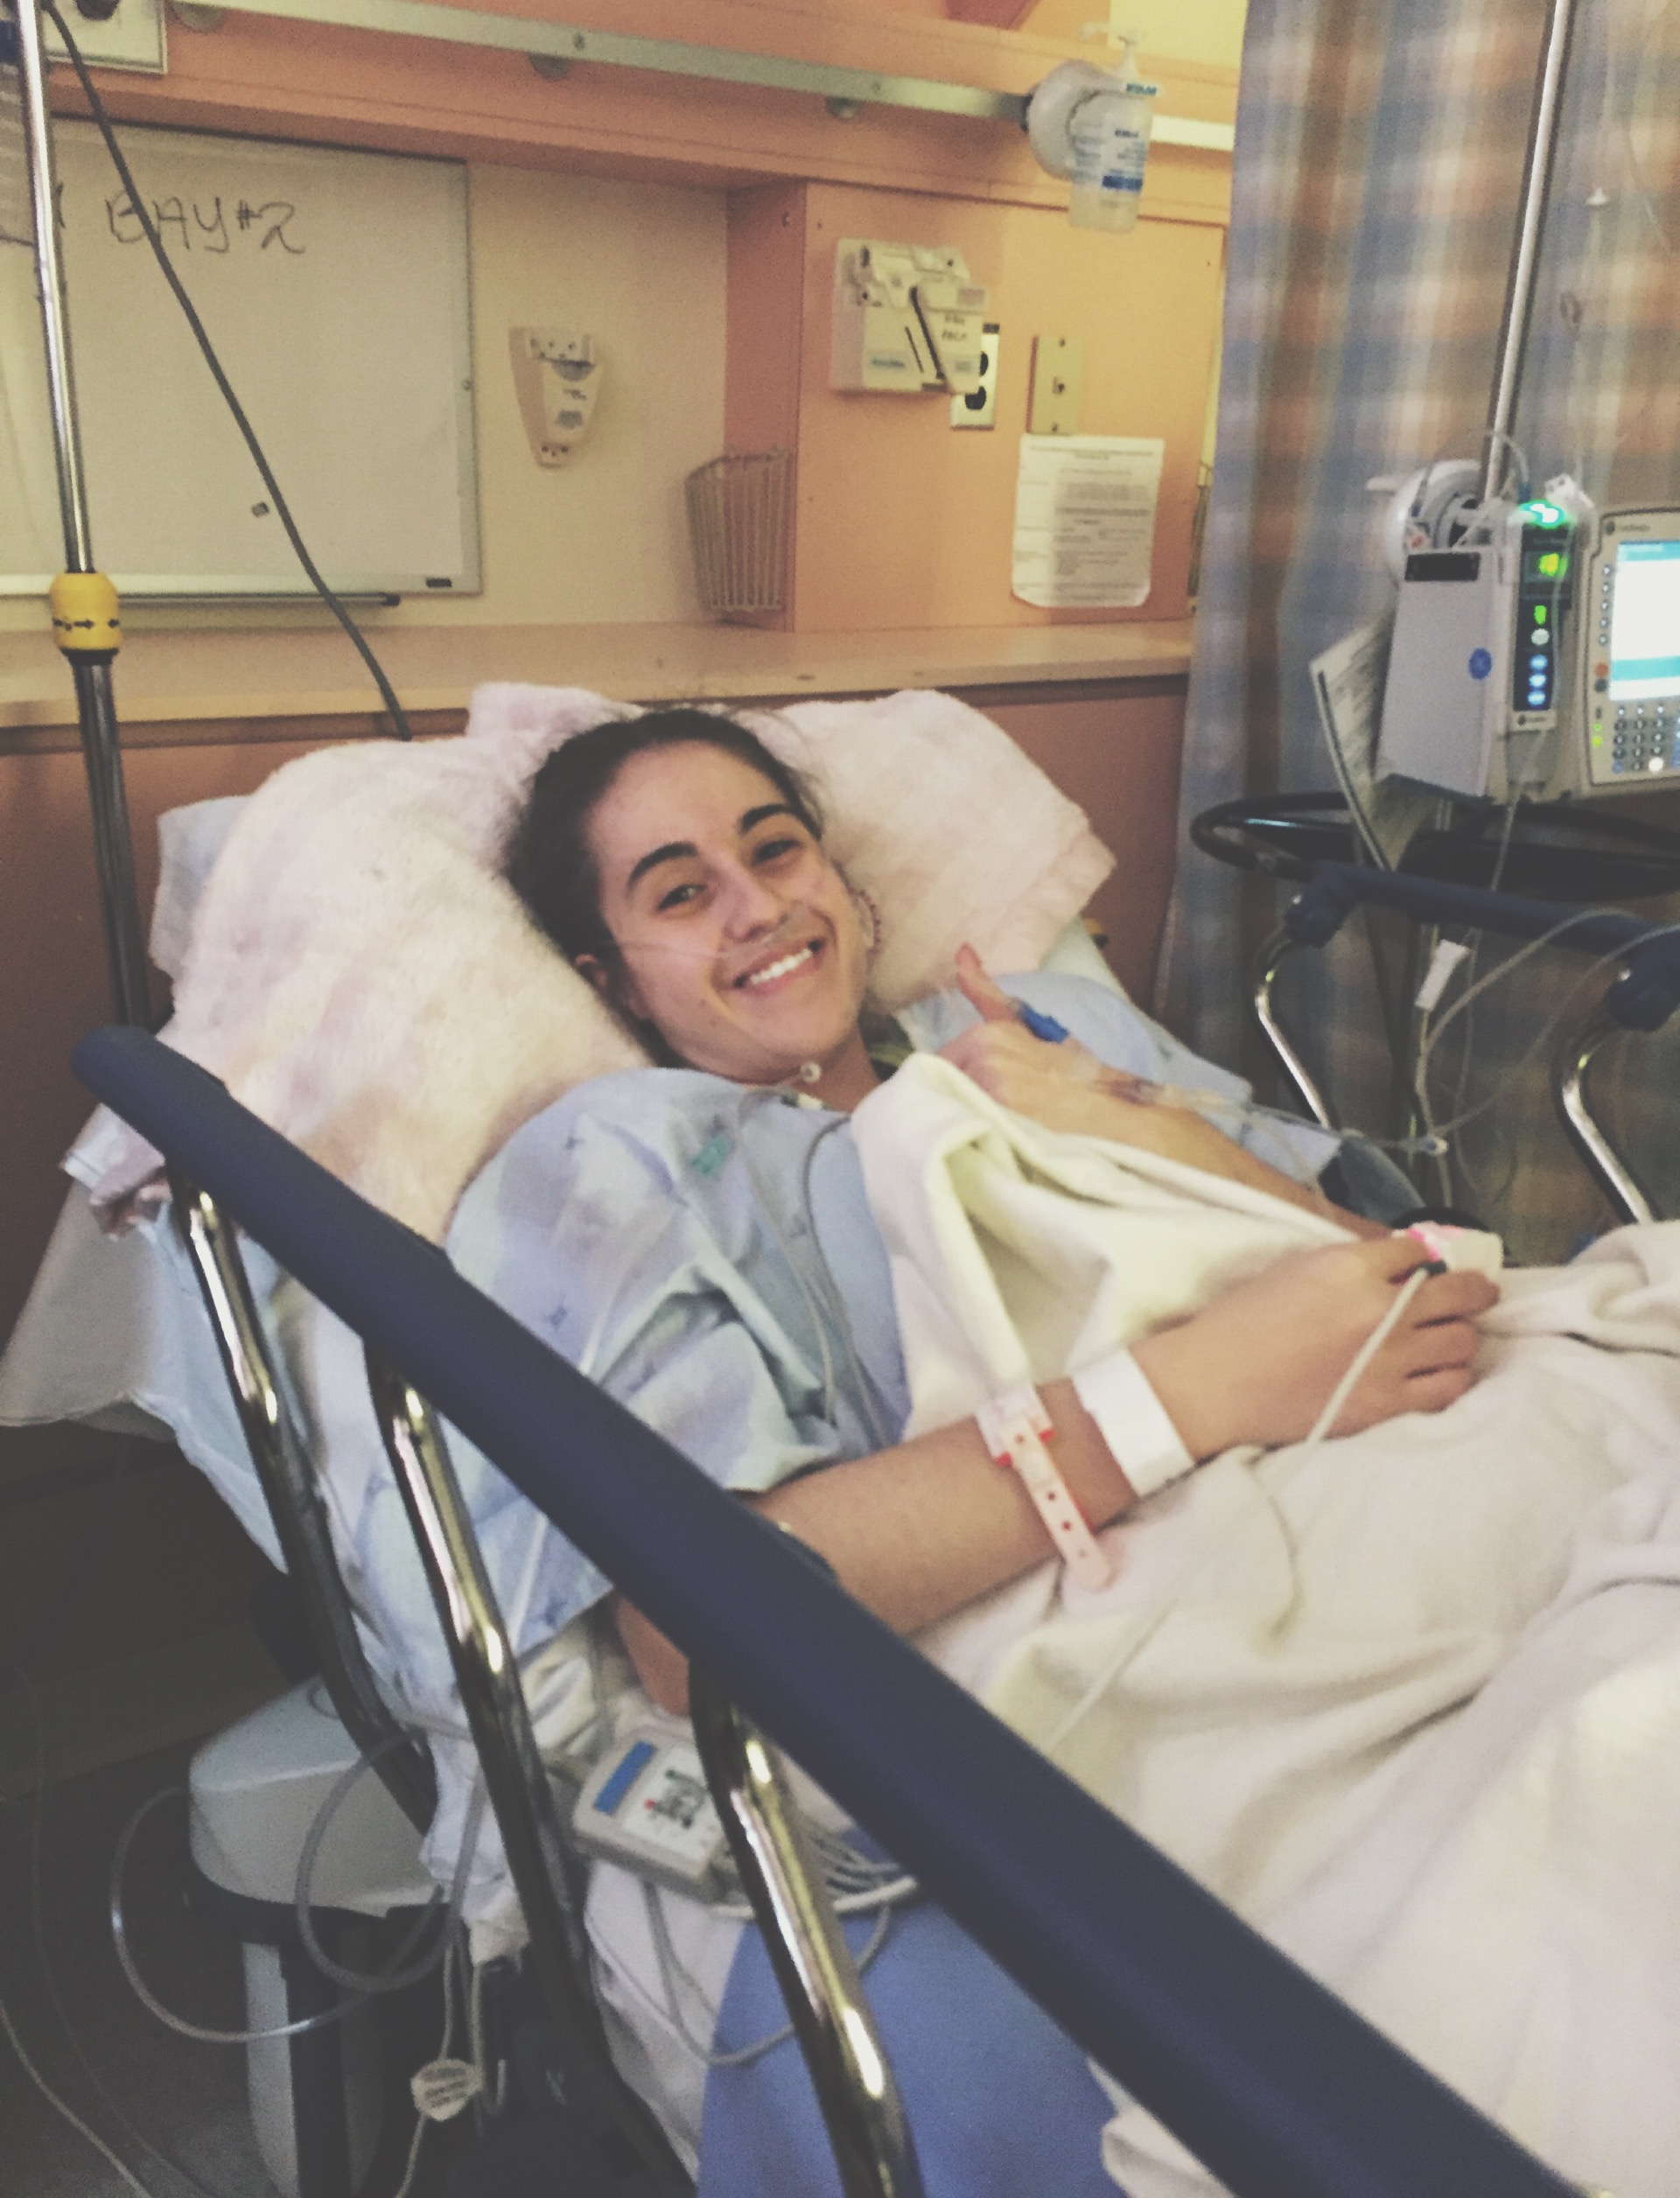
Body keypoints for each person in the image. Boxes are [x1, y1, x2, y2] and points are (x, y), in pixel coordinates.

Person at [492, 707, 1497, 1714]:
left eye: (776, 849)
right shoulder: (630, 1157)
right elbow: (688, 1634)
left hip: (1399, 1476)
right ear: (612, 981)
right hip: (1134, 1622)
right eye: (681, 893)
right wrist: (1186, 1394)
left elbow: (1436, 1286)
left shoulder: (1059, 1033)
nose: (757, 907)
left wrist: (1129, 1119)